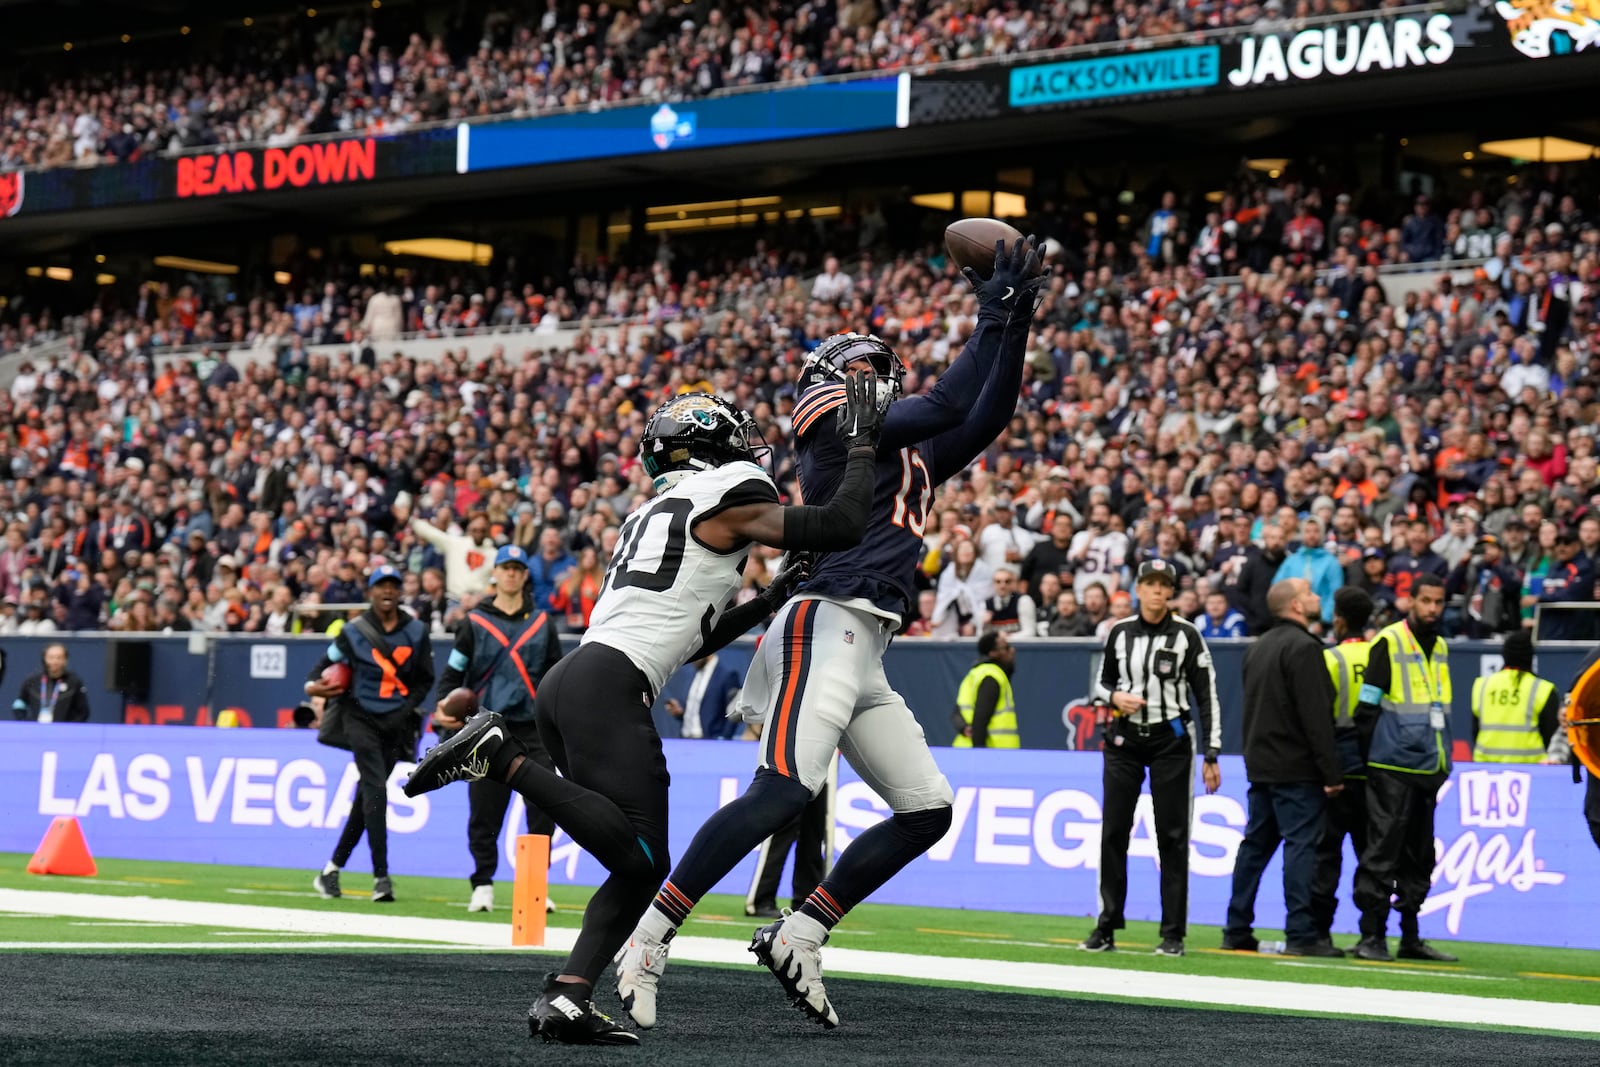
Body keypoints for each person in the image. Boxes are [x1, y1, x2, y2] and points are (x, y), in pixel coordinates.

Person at [613, 241, 1042, 1034]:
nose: (888, 381)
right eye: (875, 369)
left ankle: (802, 929)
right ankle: (647, 936)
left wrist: (1016, 319)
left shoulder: (897, 444)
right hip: (827, 617)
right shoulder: (832, 420)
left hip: (863, 635)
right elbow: (950, 405)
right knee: (781, 790)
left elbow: (988, 413)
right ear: (841, 376)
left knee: (927, 808)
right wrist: (994, 309)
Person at [404, 376, 890, 1045]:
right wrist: (862, 446)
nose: (747, 445)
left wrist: (769, 596)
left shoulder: (655, 511)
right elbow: (841, 524)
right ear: (707, 445)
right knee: (640, 853)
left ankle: (569, 995)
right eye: (732, 434)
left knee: (635, 862)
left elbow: (691, 639)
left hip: (579, 678)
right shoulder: (731, 492)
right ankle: (500, 755)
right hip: (608, 683)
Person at [1081, 558, 1222, 957]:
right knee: (1113, 832)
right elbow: (1101, 681)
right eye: (1151, 584)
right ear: (1138, 589)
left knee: (1173, 838)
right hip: (1124, 740)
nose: (1158, 591)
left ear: (1172, 592)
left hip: (1171, 742)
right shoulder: (1119, 632)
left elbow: (1207, 696)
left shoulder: (1187, 635)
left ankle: (1173, 933)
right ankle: (1106, 925)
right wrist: (1113, 697)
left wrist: (1212, 752)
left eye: (1165, 585)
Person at [431, 544, 562, 914]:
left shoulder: (542, 623)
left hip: (534, 729)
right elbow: (453, 674)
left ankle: (536, 884)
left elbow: (555, 677)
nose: (510, 574)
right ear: (496, 573)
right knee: (485, 810)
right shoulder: (473, 622)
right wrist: (444, 706)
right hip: (486, 728)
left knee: (544, 807)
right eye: (505, 567)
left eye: (517, 568)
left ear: (524, 575)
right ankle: (483, 883)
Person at [1222, 579, 1343, 956]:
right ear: (1294, 605)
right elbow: (1316, 718)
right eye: (1309, 593)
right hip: (1296, 768)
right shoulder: (1305, 648)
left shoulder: (1257, 648)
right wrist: (1331, 772)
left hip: (1261, 765)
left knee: (1255, 848)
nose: (1317, 597)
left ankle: (1236, 927)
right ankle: (1301, 933)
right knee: (1301, 847)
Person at [304, 564, 434, 905]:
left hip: (396, 723)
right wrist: (316, 687)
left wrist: (404, 711)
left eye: (392, 585)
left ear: (399, 591)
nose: (387, 591)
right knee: (376, 789)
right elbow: (319, 670)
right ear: (371, 592)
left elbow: (424, 680)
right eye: (381, 586)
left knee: (368, 798)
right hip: (358, 717)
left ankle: (331, 870)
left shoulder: (417, 632)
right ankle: (381, 878)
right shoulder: (352, 631)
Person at [1351, 573, 1457, 963]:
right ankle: (1371, 937)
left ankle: (1409, 937)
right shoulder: (1389, 642)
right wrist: (1371, 761)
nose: (1433, 608)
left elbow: (1442, 710)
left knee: (1420, 857)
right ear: (1409, 600)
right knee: (1382, 853)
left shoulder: (1442, 647)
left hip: (1428, 768)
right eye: (1426, 601)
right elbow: (1366, 707)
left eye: (1438, 601)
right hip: (1390, 768)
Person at [1311, 587, 1376, 946]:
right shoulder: (1382, 655)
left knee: (1327, 854)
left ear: (1339, 619)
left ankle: (1320, 932)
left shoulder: (1330, 658)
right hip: (1376, 770)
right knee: (1373, 856)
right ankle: (1372, 934)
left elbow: (1318, 719)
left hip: (1337, 768)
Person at [1471, 630, 1559, 763]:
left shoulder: (1482, 685)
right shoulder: (1543, 689)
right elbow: (1551, 737)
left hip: (1487, 770)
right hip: (1532, 772)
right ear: (1530, 657)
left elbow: (1475, 731)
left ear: (1505, 655)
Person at [408, 509, 497, 605]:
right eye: (475, 529)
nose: (479, 533)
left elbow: (496, 583)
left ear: (488, 530)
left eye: (482, 530)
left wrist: (480, 597)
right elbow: (430, 532)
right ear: (469, 527)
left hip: (481, 602)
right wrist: (411, 520)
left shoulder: (494, 554)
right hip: (456, 600)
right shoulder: (455, 544)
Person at [952, 631, 1019, 748]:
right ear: (993, 653)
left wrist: (963, 727)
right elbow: (980, 721)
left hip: (965, 751)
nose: (1012, 650)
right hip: (992, 756)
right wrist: (981, 757)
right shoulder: (991, 677)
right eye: (1006, 647)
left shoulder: (974, 674)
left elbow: (956, 714)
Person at [658, 654, 743, 739]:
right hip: (685, 740)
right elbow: (695, 710)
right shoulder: (693, 674)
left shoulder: (727, 675)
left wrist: (724, 738)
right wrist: (680, 712)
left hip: (710, 742)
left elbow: (734, 711)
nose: (691, 659)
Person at [11, 643, 90, 722]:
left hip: (63, 731)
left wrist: (69, 728)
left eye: (59, 658)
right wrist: (26, 724)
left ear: (65, 660)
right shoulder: (32, 681)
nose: (55, 662)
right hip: (35, 730)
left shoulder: (74, 682)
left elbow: (83, 711)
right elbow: (19, 705)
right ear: (44, 658)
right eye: (51, 657)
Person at [982, 567, 1036, 637]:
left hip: (1019, 645)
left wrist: (1007, 637)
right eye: (998, 581)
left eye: (1007, 581)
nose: (1002, 585)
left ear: (1013, 583)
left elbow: (1030, 632)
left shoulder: (1023, 601)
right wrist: (984, 625)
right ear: (993, 584)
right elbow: (982, 637)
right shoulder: (986, 604)